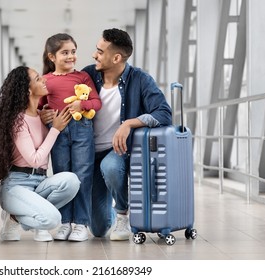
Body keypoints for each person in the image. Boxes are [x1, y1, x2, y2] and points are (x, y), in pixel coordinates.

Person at [41, 28, 172, 241]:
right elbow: (55, 97)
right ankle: (106, 209)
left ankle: (122, 214)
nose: (94, 55)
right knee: (99, 229)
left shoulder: (140, 79)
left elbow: (164, 113)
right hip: (88, 151)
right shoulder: (88, 74)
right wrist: (46, 113)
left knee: (110, 167)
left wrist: (130, 123)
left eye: (100, 52)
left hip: (117, 150)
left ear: (116, 57)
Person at [0, 65, 80, 242]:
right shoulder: (18, 120)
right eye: (38, 79)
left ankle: (16, 217)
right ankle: (15, 216)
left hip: (40, 181)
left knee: (72, 181)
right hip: (16, 186)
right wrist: (55, 129)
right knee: (53, 219)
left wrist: (49, 122)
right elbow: (34, 160)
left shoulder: (41, 115)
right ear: (27, 90)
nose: (44, 79)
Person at [39, 33, 102, 242]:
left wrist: (81, 105)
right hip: (57, 131)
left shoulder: (82, 77)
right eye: (64, 52)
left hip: (82, 128)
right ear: (52, 57)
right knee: (63, 175)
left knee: (83, 175)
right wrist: (43, 114)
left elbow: (96, 102)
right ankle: (65, 222)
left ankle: (81, 224)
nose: (71, 56)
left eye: (73, 52)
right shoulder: (45, 81)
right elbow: (37, 107)